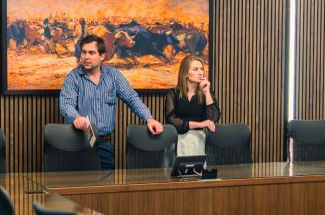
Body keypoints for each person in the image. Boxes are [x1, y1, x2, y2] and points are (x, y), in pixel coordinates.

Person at [60, 34, 164, 170]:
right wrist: (76, 117)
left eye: (91, 53)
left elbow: (131, 98)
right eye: (84, 52)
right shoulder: (73, 77)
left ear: (102, 56)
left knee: (107, 182)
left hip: (104, 143)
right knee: (79, 182)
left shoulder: (114, 75)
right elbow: (66, 104)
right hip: (79, 141)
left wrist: (149, 119)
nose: (86, 57)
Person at [164, 55, 220, 156]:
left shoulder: (207, 93)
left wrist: (207, 92)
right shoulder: (173, 93)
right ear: (185, 73)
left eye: (201, 69)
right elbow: (171, 120)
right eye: (195, 69)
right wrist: (200, 124)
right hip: (178, 140)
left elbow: (213, 118)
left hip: (199, 140)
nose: (200, 72)